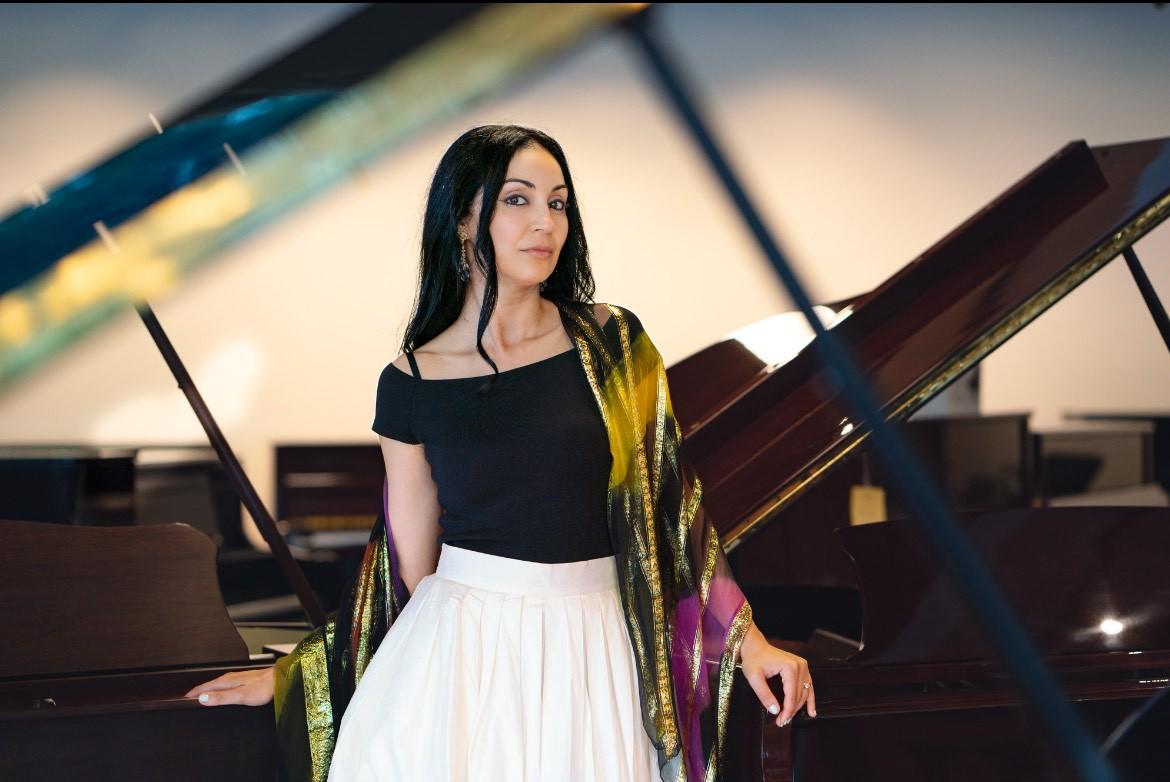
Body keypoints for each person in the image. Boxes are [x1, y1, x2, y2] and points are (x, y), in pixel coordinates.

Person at [185, 124, 815, 781]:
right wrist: (298, 673)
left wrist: (751, 644)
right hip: (458, 650)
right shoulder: (410, 381)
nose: (544, 222)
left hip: (594, 640)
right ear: (463, 220)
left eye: (558, 202)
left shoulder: (613, 341)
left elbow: (673, 508)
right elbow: (405, 565)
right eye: (517, 200)